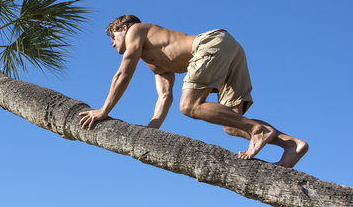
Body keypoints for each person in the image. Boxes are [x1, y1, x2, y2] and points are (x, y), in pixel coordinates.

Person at [78, 14, 308, 168]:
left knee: (189, 106)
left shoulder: (136, 30)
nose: (112, 44)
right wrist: (151, 130)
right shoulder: (156, 62)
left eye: (113, 37)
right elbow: (164, 96)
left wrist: (103, 110)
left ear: (124, 29)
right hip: (230, 49)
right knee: (231, 125)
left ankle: (257, 129)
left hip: (210, 44)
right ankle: (291, 145)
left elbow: (123, 73)